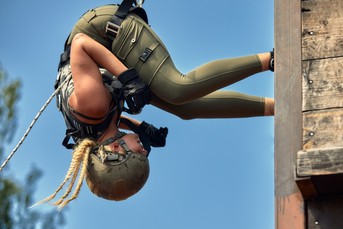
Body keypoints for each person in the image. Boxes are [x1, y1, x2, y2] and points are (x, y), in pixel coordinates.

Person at [34, 0, 275, 210]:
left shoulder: (92, 106)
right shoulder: (96, 133)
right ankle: (276, 107)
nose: (144, 149)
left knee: (177, 88)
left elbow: (80, 43)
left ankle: (271, 60)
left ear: (116, 150)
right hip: (112, 59)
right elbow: (115, 121)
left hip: (105, 33)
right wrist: (144, 129)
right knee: (185, 109)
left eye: (140, 153)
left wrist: (129, 80)